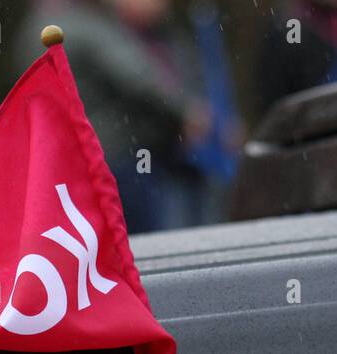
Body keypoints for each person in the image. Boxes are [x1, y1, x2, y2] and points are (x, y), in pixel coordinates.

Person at [19, 0, 211, 234]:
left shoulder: (35, 28)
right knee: (148, 244)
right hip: (119, 154)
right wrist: (185, 114)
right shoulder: (89, 25)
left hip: (72, 162)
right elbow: (138, 78)